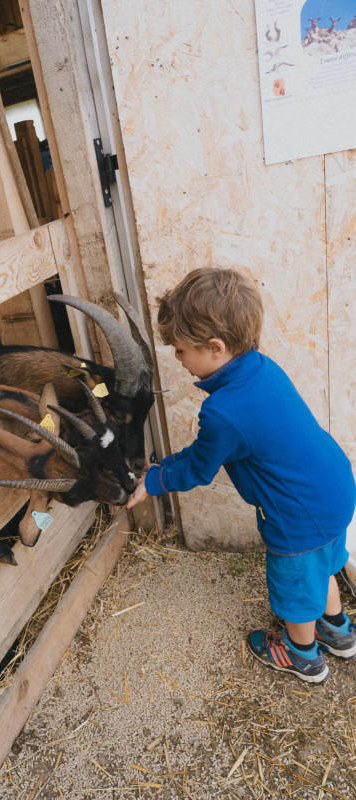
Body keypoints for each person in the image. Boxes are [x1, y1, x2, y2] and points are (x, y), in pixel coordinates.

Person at [127, 267, 356, 683]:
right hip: (334, 489)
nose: (179, 361)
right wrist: (165, 465)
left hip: (297, 516)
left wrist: (155, 480)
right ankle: (338, 632)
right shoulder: (261, 368)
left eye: (180, 351)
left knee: (294, 589)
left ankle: (303, 654)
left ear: (215, 348)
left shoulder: (223, 411)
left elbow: (199, 466)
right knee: (322, 567)